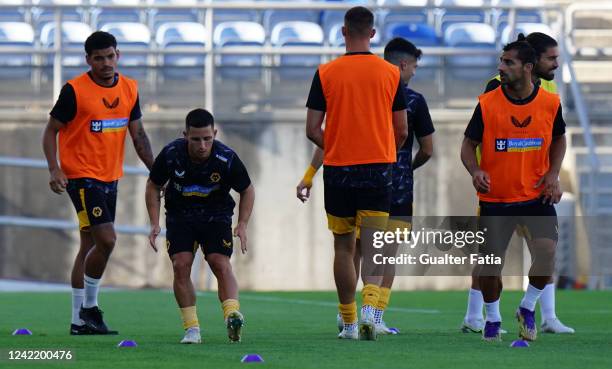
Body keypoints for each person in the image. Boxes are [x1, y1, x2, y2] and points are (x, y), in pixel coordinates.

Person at [298, 37, 434, 336]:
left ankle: (349, 316)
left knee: (350, 247)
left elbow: (329, 136)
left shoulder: (348, 85)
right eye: (413, 67)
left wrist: (311, 172)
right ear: (402, 65)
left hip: (348, 175)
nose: (413, 73)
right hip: (390, 182)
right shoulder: (409, 98)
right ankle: (373, 314)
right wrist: (402, 166)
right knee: (384, 252)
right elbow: (425, 147)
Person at [304, 6, 408, 341]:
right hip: (378, 168)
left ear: (344, 32)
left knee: (344, 247)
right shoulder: (391, 73)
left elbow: (312, 128)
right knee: (376, 246)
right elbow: (403, 131)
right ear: (373, 34)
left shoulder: (326, 72)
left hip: (338, 170)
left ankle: (348, 323)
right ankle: (369, 314)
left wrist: (336, 145)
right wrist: (380, 149)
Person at [42, 31, 154, 335]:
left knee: (90, 244)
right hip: (81, 178)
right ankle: (90, 308)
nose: (106, 63)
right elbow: (50, 131)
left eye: (110, 56)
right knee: (107, 240)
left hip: (109, 178)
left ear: (118, 55)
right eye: (98, 58)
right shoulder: (75, 91)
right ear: (88, 60)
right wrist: (55, 168)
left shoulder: (130, 89)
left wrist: (157, 172)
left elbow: (139, 136)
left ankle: (79, 322)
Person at [461, 32, 574, 335]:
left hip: (536, 195)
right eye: (501, 61)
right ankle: (491, 318)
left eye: (507, 62)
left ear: (527, 67)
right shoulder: (487, 101)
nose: (501, 66)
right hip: (496, 196)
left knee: (546, 252)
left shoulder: (551, 101)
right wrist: (475, 171)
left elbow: (560, 138)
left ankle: (529, 307)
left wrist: (553, 174)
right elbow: (467, 144)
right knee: (489, 265)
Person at [146, 108, 255, 344]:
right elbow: (153, 185)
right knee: (180, 265)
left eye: (208, 139)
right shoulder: (171, 154)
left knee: (219, 262)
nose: (203, 145)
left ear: (214, 133)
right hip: (180, 215)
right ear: (185, 135)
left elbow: (247, 189)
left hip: (215, 215)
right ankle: (192, 329)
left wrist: (243, 223)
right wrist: (154, 223)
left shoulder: (226, 158)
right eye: (196, 139)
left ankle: (232, 316)